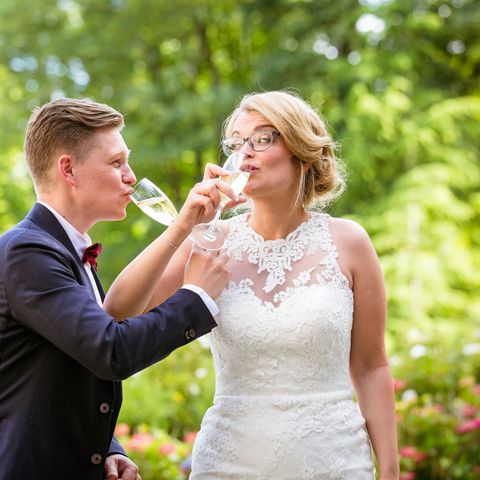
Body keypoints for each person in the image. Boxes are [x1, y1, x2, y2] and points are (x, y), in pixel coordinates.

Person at [104, 91, 400, 479]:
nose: (245, 152)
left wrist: (391, 470)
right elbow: (116, 312)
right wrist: (185, 225)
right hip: (228, 464)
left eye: (262, 139)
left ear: (301, 150)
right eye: (236, 143)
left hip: (335, 462)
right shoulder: (208, 241)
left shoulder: (350, 243)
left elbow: (370, 367)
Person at [0, 98, 234, 480]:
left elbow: (68, 371)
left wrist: (105, 450)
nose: (131, 176)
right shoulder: (26, 251)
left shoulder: (65, 251)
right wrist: (196, 297)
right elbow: (110, 350)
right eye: (116, 163)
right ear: (68, 169)